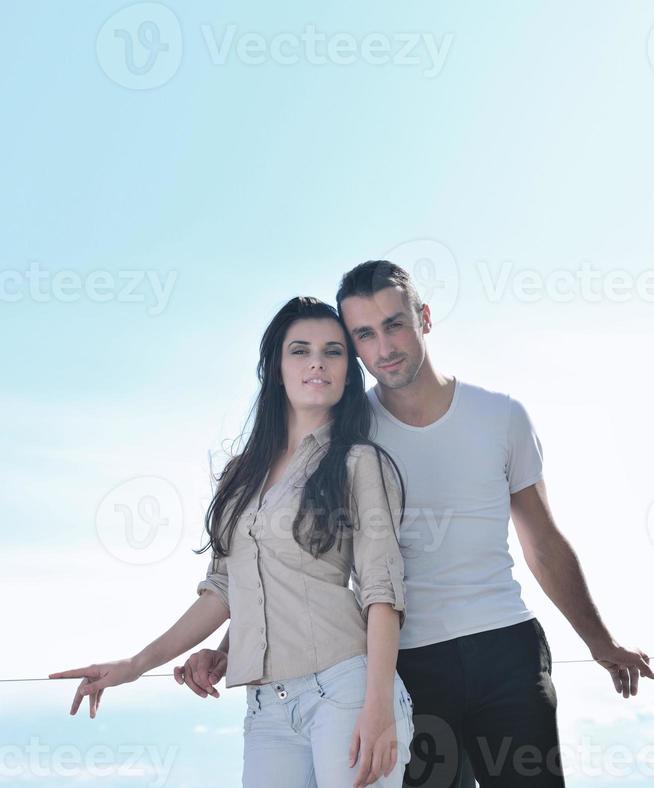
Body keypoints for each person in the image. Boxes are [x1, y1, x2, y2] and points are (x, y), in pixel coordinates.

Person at [189, 261, 653, 788]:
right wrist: (231, 646)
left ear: (424, 318)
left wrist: (601, 642)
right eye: (364, 334)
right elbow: (289, 560)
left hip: (505, 649)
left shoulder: (501, 416)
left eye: (395, 324)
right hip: (404, 665)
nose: (384, 347)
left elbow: (543, 542)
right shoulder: (343, 437)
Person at [49, 296, 416, 788]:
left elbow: (382, 594)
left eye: (333, 352)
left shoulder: (358, 462)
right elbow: (225, 588)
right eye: (300, 350)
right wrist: (137, 664)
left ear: (349, 371)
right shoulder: (242, 474)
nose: (316, 363)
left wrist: (378, 711)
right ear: (276, 366)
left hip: (347, 692)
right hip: (265, 708)